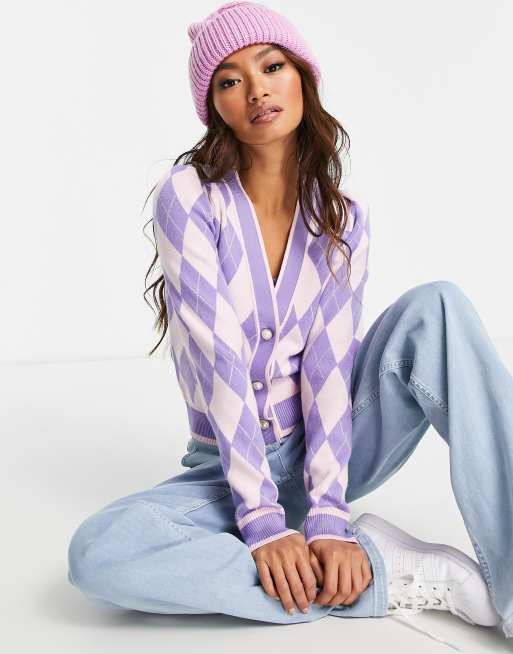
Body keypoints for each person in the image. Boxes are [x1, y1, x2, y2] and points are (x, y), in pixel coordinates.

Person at [67, 2, 513, 649]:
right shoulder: (188, 198)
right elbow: (221, 361)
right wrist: (260, 521)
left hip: (337, 447)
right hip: (227, 467)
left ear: (302, 75)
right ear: (214, 106)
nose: (256, 89)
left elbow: (329, 372)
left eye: (271, 66)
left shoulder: (342, 218)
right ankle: (383, 575)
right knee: (101, 553)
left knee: (438, 307)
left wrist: (327, 513)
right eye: (230, 80)